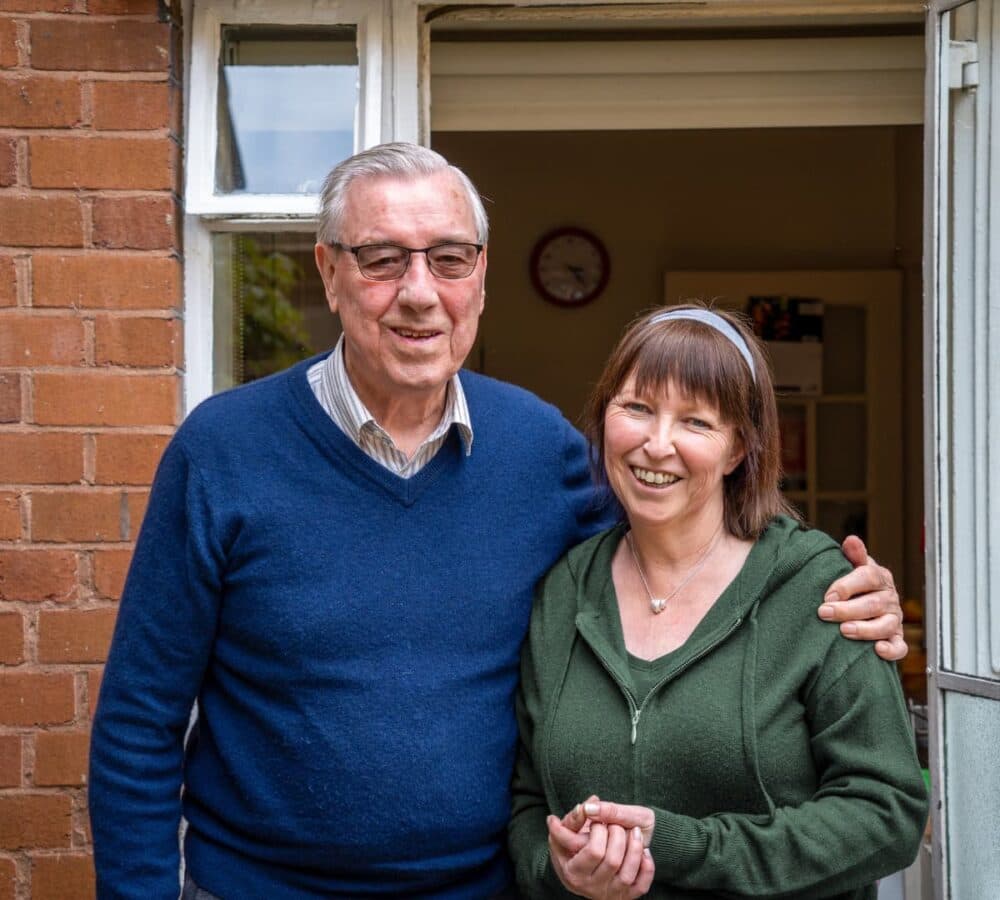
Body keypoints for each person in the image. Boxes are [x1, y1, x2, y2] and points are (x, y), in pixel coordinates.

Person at [89, 144, 908, 900]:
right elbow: (138, 722)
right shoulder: (223, 451)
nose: (420, 292)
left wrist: (829, 584)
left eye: (449, 259)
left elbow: (680, 510)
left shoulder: (538, 449)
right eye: (382, 259)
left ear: (479, 277)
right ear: (329, 273)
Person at [508, 305, 928, 900]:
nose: (657, 445)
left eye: (696, 422)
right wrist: (559, 870)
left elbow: (887, 815)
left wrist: (683, 846)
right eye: (637, 409)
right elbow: (527, 804)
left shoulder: (819, 590)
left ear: (738, 450)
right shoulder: (565, 590)